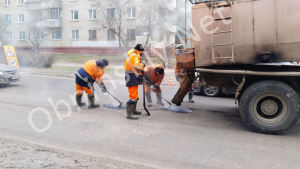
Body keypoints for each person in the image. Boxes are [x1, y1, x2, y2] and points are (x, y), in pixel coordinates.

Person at [125, 44, 145, 120]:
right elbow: (136, 66)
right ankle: (129, 114)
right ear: (140, 50)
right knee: (133, 96)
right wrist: (142, 64)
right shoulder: (134, 55)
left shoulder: (134, 54)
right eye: (142, 51)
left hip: (132, 76)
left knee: (135, 95)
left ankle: (133, 110)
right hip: (131, 76)